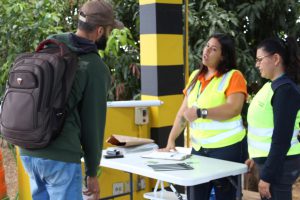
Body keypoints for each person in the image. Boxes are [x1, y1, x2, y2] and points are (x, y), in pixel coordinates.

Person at [19, 0, 122, 199]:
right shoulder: (94, 66)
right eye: (109, 30)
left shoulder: (50, 47)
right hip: (61, 156)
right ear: (100, 31)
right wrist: (92, 172)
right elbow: (93, 124)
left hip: (29, 149)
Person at [161, 33, 248, 200]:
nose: (206, 51)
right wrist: (171, 140)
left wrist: (202, 112)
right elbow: (183, 113)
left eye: (214, 49)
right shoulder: (195, 76)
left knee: (224, 196)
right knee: (196, 195)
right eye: (207, 46)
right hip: (199, 149)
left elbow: (234, 108)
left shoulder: (233, 76)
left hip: (227, 148)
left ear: (223, 56)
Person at [246, 37, 300, 200]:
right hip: (272, 163)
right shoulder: (271, 86)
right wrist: (254, 157)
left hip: (280, 166)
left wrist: (267, 176)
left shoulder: (285, 90)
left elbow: (281, 138)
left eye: (260, 59)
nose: (257, 65)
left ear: (276, 59)